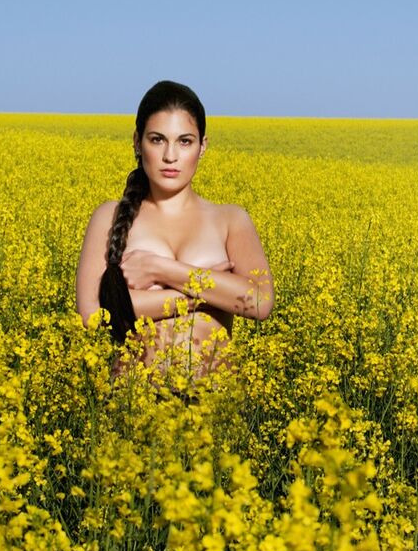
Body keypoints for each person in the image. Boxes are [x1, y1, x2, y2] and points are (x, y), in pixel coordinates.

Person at [74, 80, 273, 383]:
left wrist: (160, 269)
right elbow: (92, 315)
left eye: (184, 141)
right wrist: (203, 296)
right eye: (157, 140)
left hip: (214, 404)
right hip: (132, 401)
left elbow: (259, 302)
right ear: (137, 142)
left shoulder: (230, 219)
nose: (170, 156)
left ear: (202, 146)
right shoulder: (109, 216)